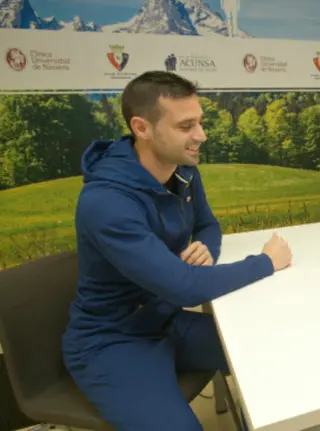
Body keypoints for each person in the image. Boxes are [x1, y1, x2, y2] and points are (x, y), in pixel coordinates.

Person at [61, 71, 292, 430]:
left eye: (199, 122)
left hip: (166, 320)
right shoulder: (106, 202)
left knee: (279, 352)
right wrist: (265, 262)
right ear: (142, 128)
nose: (201, 135)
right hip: (112, 341)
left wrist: (205, 248)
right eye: (186, 126)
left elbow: (208, 225)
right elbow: (184, 287)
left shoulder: (183, 170)